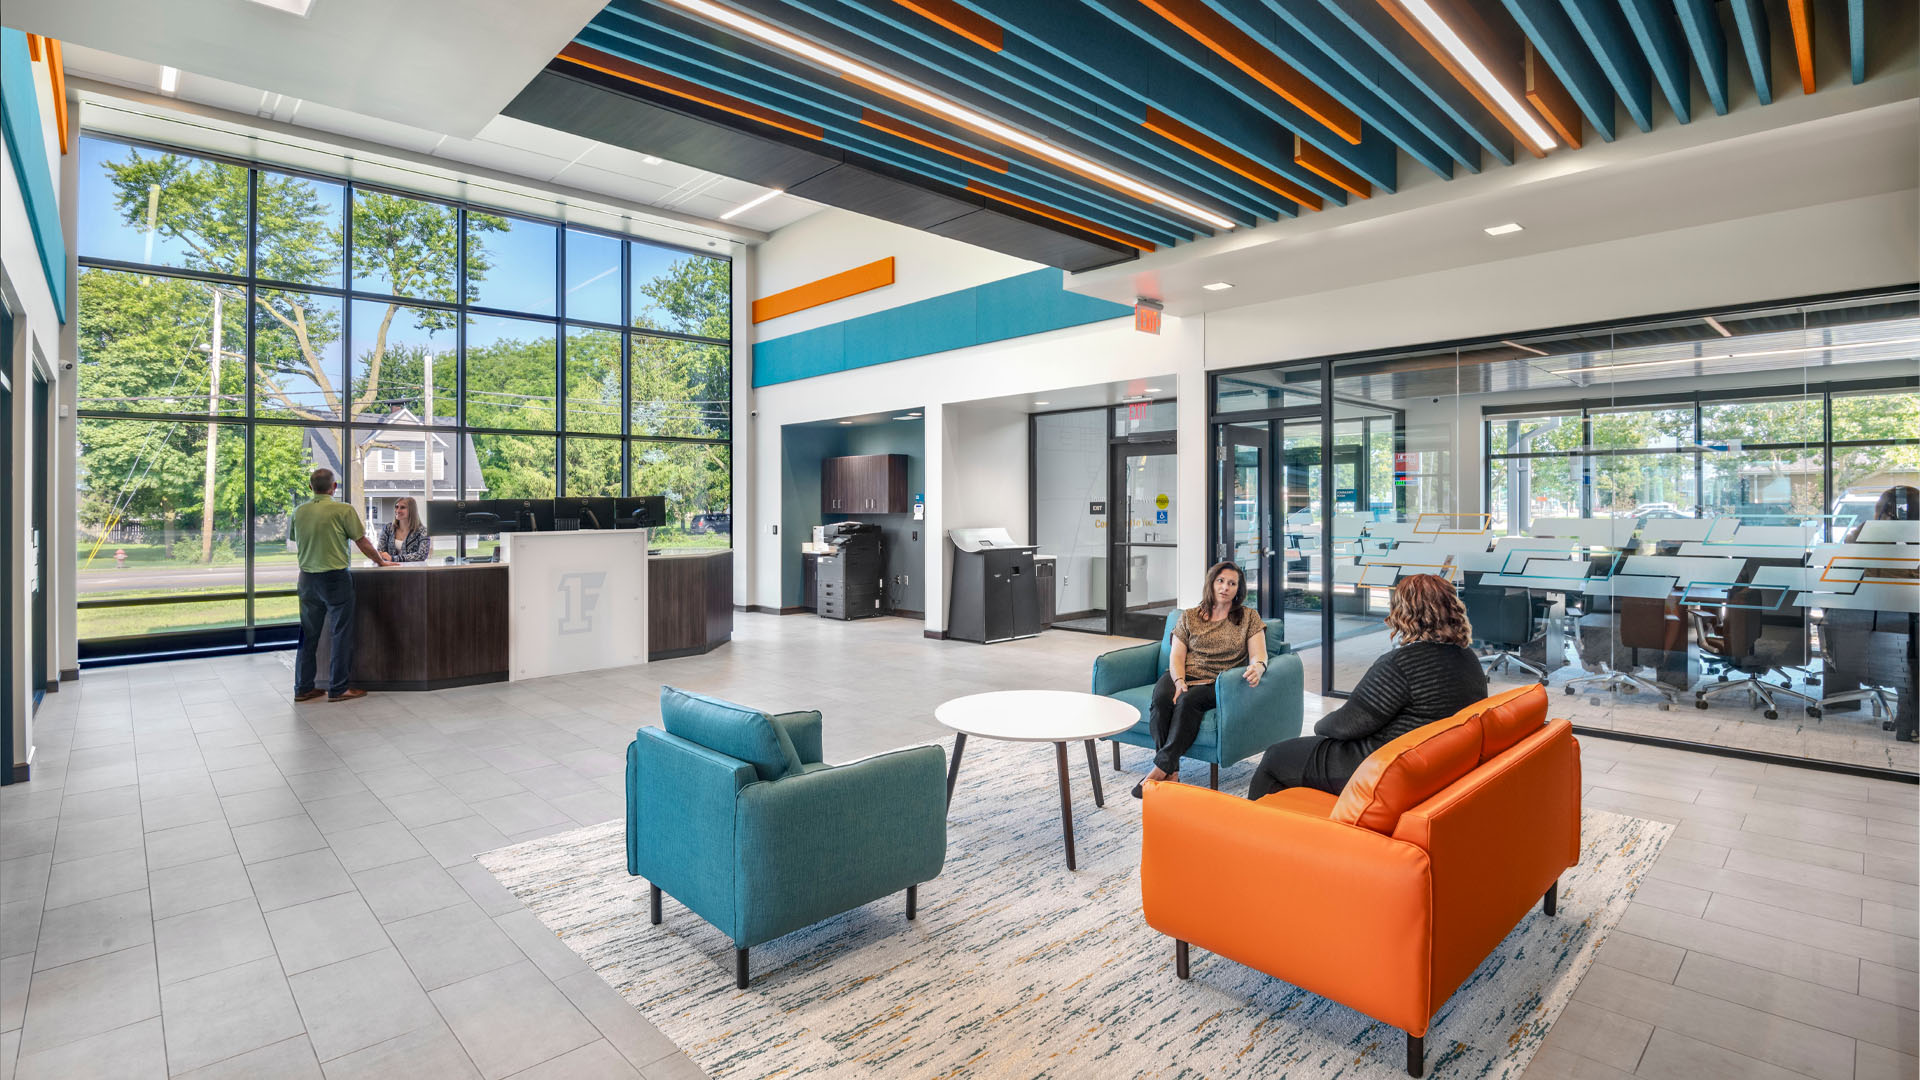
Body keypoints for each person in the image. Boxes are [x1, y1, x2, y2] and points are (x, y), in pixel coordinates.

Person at [1247, 573, 1488, 801]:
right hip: (1431, 764)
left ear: (1404, 613)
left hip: (1382, 765)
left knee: (1276, 757)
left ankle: (1252, 827)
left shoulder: (1401, 664)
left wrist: (1321, 725)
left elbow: (1346, 725)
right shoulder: (1468, 659)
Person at [1132, 561, 1270, 799]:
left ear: (1238, 589)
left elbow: (1259, 654)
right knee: (1162, 700)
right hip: (1182, 673)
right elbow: (1176, 656)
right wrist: (1179, 681)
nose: (1225, 587)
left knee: (1187, 701)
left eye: (1232, 583)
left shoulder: (1249, 617)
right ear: (1211, 583)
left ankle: (1158, 770)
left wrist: (1258, 667)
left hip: (1216, 681)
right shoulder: (1189, 616)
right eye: (1221, 581)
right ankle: (1173, 773)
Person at [292, 468, 391, 703]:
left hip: (307, 579)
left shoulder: (299, 511)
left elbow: (297, 539)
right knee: (341, 633)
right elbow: (362, 541)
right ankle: (338, 688)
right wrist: (381, 561)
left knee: (308, 635)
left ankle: (303, 688)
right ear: (334, 487)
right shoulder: (343, 510)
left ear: (310, 487)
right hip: (334, 579)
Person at [1828, 486, 1918, 741]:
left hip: (1859, 626)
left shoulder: (1859, 534)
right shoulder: (1905, 541)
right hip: (1891, 625)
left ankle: (1909, 722)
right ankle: (1910, 726)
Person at [376, 496, 433, 563]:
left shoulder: (423, 531)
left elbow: (421, 555)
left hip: (413, 568)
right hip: (390, 568)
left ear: (412, 510)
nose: (398, 510)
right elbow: (380, 552)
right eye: (396, 507)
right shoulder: (388, 528)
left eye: (402, 507)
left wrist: (393, 558)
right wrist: (385, 557)